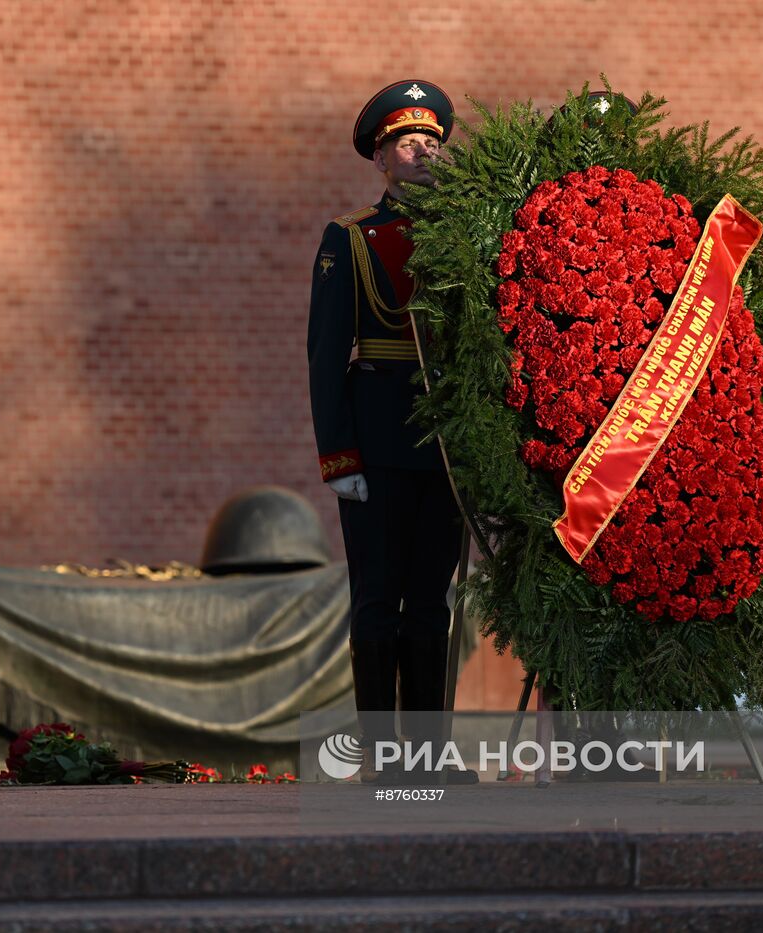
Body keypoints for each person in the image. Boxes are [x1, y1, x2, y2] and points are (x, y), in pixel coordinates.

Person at [307, 80, 475, 784]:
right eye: (408, 143)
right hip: (375, 441)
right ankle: (382, 754)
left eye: (432, 142)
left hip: (444, 450)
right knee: (377, 599)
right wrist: (338, 454)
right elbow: (325, 352)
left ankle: (429, 754)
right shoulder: (350, 239)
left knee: (430, 602)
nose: (423, 153)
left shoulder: (469, 238)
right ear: (380, 157)